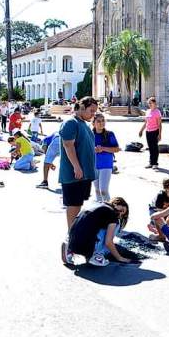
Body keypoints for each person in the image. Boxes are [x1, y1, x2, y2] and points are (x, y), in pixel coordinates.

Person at [60, 97, 99, 233]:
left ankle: (75, 233)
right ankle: (71, 236)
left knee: (78, 204)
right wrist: (76, 166)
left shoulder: (83, 123)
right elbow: (68, 145)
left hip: (83, 174)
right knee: (73, 205)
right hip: (74, 174)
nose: (93, 114)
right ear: (82, 107)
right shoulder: (71, 122)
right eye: (91, 111)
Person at [62, 197, 131, 267]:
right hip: (85, 246)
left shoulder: (96, 204)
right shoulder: (112, 214)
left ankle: (69, 249)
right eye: (121, 210)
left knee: (91, 226)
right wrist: (120, 258)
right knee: (117, 225)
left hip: (72, 241)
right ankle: (96, 254)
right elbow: (108, 242)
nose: (120, 215)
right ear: (116, 203)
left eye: (122, 215)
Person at [92, 113, 119, 202]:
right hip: (93, 165)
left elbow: (116, 149)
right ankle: (99, 210)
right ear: (93, 123)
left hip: (106, 165)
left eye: (103, 120)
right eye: (98, 121)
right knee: (97, 190)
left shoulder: (109, 134)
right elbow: (85, 149)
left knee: (103, 190)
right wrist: (94, 150)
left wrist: (103, 148)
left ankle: (109, 210)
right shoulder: (90, 135)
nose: (101, 123)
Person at [139, 96, 162, 170]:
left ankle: (155, 163)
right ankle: (151, 162)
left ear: (155, 103)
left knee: (155, 148)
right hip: (148, 131)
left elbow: (159, 124)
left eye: (151, 103)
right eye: (149, 103)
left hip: (155, 131)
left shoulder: (157, 112)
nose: (150, 104)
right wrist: (141, 130)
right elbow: (146, 122)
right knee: (150, 148)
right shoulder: (148, 111)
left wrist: (160, 134)